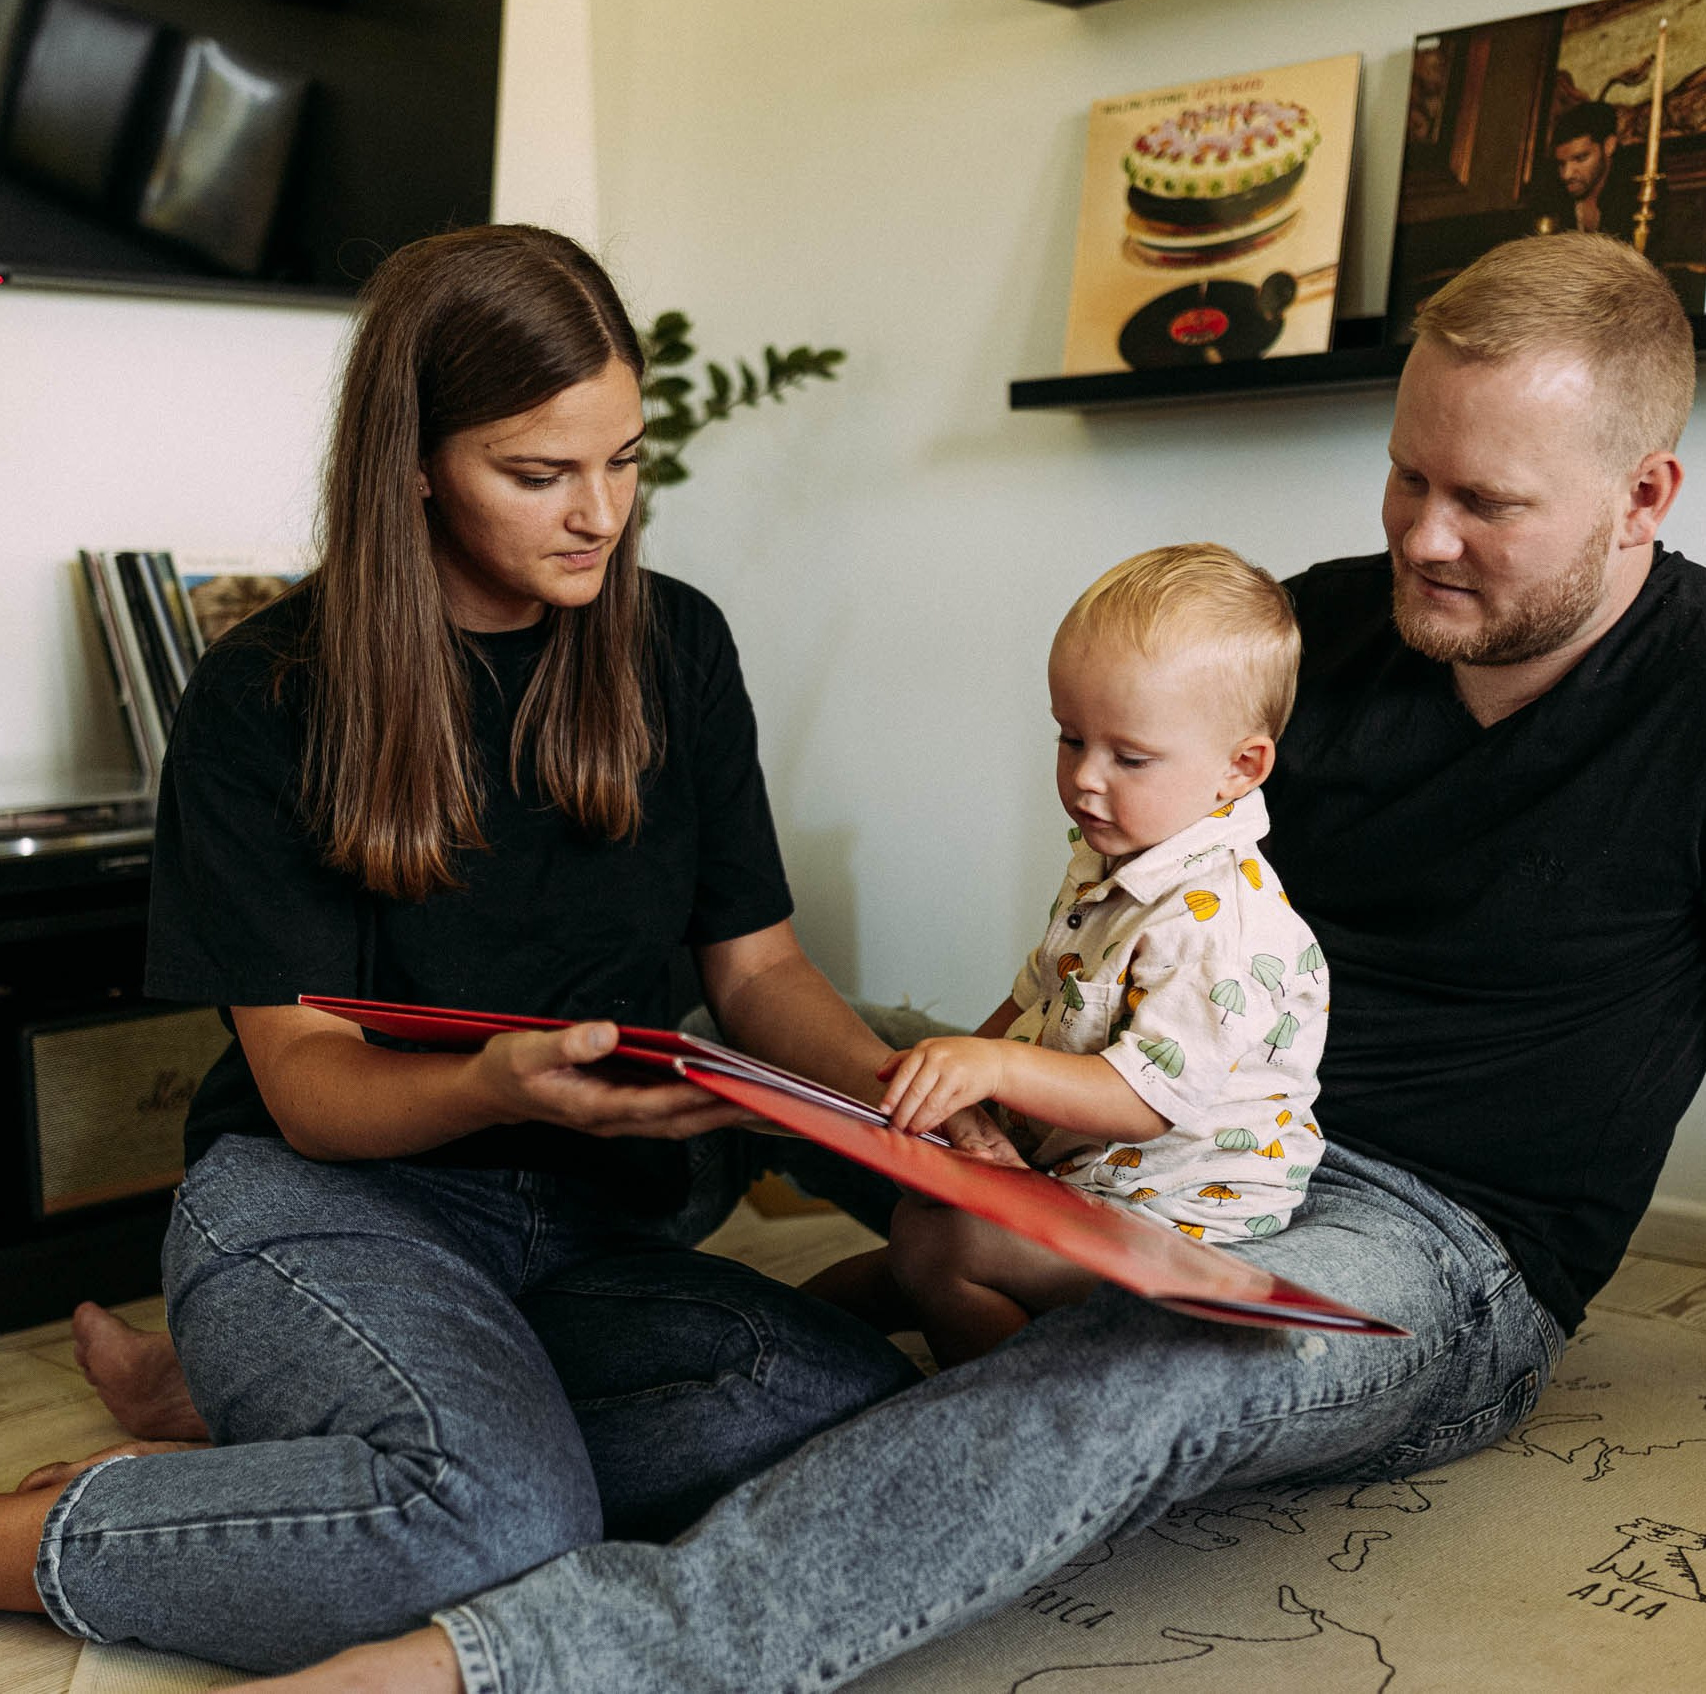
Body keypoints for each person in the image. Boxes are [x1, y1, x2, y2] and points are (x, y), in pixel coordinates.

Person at [204, 225, 1706, 1694]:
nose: (1418, 534)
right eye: (1405, 473)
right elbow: (1096, 948)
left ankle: (512, 1660)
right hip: (1149, 1120)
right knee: (866, 1060)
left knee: (1144, 1356)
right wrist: (948, 1088)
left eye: (1483, 503)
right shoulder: (1302, 633)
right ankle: (344, 1380)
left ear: (1643, 493)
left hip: (1420, 1235)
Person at [0, 223, 1017, 1670]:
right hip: (328, 1200)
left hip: (589, 1225)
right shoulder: (264, 693)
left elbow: (758, 973)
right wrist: (500, 1083)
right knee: (493, 1516)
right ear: (412, 460)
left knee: (822, 1396)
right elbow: (305, 1083)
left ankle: (280, 1438)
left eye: (624, 457)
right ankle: (47, 1523)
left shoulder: (677, 647)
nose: (597, 511)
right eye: (537, 473)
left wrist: (910, 1101)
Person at [809, 544, 1329, 1366]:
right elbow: (1036, 995)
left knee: (933, 1248)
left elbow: (1143, 1101)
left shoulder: (1221, 925)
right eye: (1070, 738)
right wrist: (959, 1093)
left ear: (1240, 767)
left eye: (1129, 757)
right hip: (1082, 1174)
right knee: (848, 1288)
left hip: (1178, 1225)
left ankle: (1017, 1410)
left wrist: (995, 1071)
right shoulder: (1115, 853)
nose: (1086, 778)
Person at [1539, 100, 1635, 239]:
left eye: (1580, 158)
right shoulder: (1552, 194)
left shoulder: (1632, 195)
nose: (1567, 175)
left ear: (1609, 146)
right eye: (1561, 163)